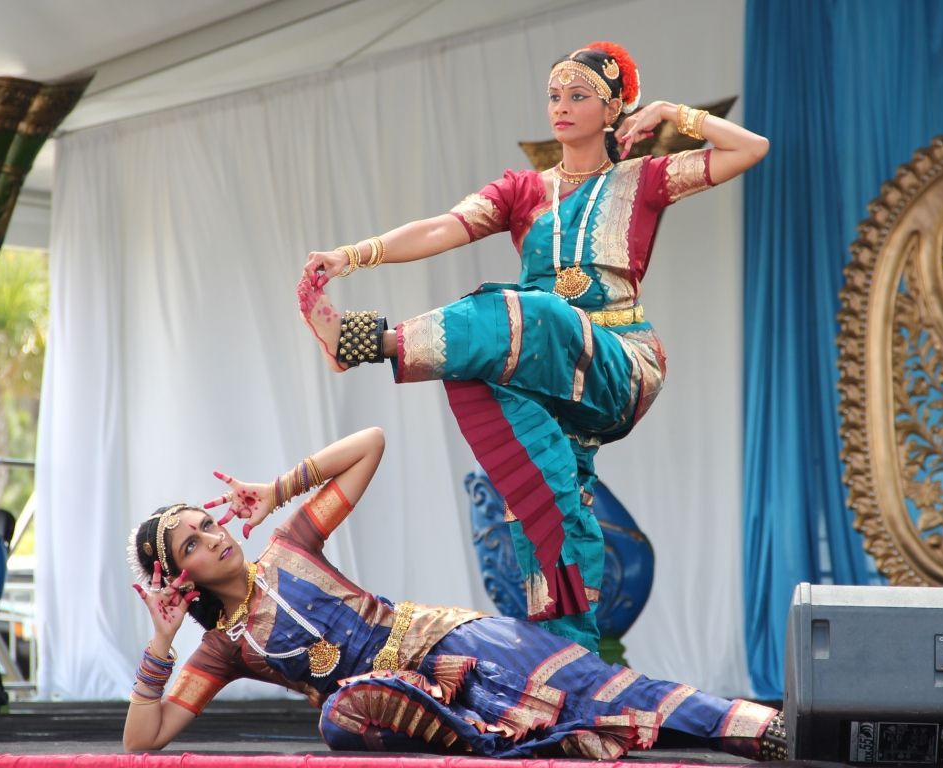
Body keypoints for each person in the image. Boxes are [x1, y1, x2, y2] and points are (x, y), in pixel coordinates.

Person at [297, 42, 769, 652]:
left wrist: (676, 114)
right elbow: (443, 228)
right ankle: (567, 665)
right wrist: (352, 255)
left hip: (617, 363)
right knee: (547, 502)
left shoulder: (644, 179)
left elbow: (749, 148)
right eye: (554, 96)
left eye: (579, 96)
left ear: (614, 108)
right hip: (545, 374)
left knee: (536, 310)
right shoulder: (523, 190)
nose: (562, 107)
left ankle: (371, 341)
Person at [124, 428, 786, 759]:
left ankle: (756, 728)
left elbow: (370, 445)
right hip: (394, 703)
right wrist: (162, 640)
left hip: (446, 642)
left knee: (595, 689)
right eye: (190, 545)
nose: (212, 538)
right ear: (179, 578)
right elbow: (140, 741)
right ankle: (494, 737)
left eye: (207, 524)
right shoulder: (222, 648)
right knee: (341, 715)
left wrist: (278, 488)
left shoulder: (290, 543)